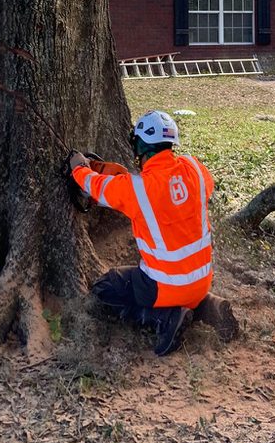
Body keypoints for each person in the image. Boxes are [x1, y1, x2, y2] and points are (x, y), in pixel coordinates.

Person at [69, 110, 238, 357]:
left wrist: (79, 169)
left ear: (140, 145)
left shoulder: (137, 189)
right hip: (201, 281)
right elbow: (180, 192)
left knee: (105, 289)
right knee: (185, 289)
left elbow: (99, 188)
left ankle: (165, 318)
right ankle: (209, 305)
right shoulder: (196, 170)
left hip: (162, 286)